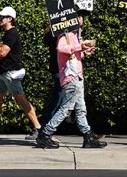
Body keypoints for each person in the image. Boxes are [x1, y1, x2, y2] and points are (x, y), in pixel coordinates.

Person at [36, 10, 106, 149]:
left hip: (77, 75)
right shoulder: (65, 34)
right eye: (79, 16)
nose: (81, 19)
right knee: (66, 108)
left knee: (81, 108)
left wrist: (84, 52)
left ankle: (87, 136)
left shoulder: (73, 35)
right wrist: (80, 47)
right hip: (71, 77)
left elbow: (72, 56)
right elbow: (61, 49)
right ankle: (45, 134)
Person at [0, 6, 42, 140]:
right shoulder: (8, 34)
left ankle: (38, 128)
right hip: (3, 73)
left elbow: (2, 52)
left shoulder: (12, 33)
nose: (0, 19)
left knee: (21, 100)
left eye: (3, 17)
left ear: (10, 19)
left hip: (11, 73)